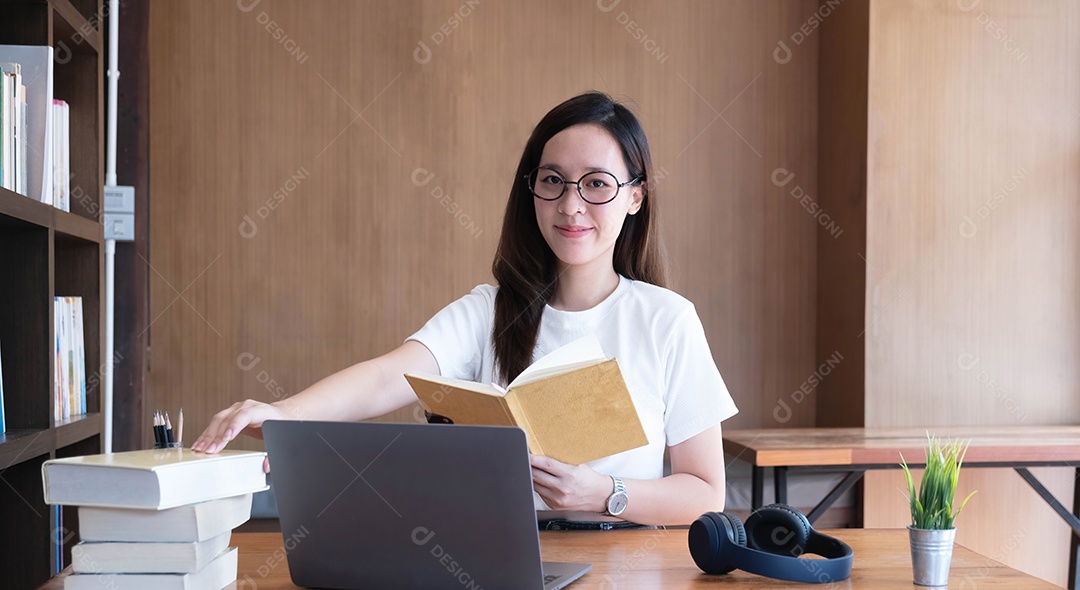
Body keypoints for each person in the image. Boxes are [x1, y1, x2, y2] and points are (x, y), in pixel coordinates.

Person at [193, 92, 738, 526]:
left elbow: (705, 492)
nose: (571, 205)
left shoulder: (667, 319)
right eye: (552, 181)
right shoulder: (490, 310)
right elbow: (390, 376)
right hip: (499, 553)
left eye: (597, 184)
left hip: (624, 558)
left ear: (634, 197)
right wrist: (287, 413)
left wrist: (603, 495)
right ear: (532, 191)